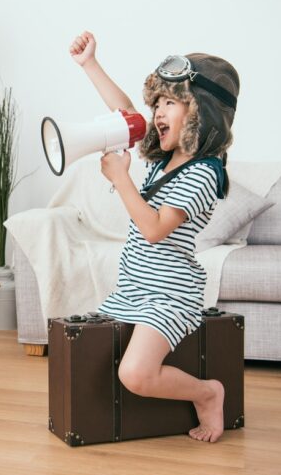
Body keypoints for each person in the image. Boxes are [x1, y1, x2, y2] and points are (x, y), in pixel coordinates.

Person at [70, 31, 240, 443]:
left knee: (134, 373)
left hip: (170, 294)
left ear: (201, 113)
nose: (157, 112)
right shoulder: (165, 157)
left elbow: (153, 229)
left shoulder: (203, 172)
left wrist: (120, 177)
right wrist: (90, 64)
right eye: (158, 102)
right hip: (134, 287)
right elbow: (124, 111)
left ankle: (208, 393)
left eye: (170, 103)